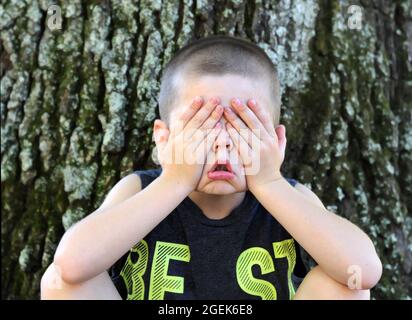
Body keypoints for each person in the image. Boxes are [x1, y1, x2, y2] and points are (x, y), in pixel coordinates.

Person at [41, 35, 381, 300]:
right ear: (164, 139)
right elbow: (71, 266)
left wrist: (269, 184)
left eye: (242, 128)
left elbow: (362, 272)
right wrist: (174, 181)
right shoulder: (139, 190)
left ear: (276, 143)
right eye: (202, 127)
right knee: (59, 281)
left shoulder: (289, 197)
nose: (222, 144)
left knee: (344, 284)